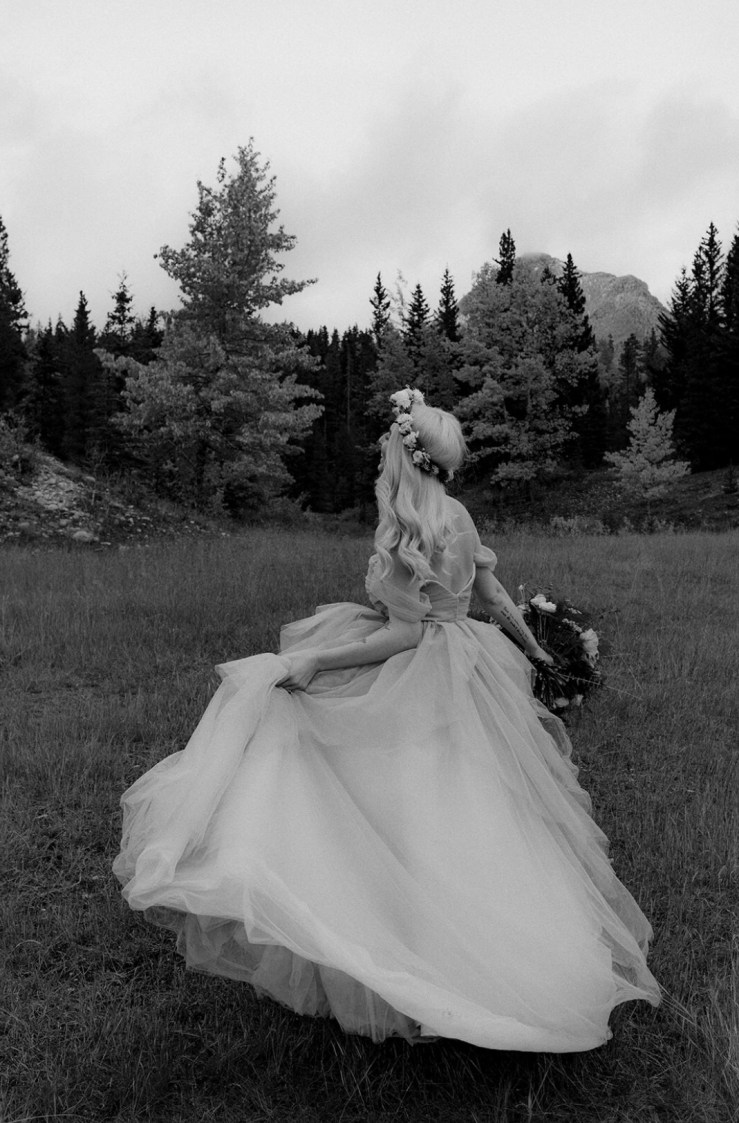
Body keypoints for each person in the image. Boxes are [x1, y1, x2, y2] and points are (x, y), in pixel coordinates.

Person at [114, 387, 660, 1051]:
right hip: (470, 659)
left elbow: (403, 634)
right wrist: (532, 648)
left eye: (383, 452)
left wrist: (317, 660)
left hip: (421, 665)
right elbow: (490, 592)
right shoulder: (457, 514)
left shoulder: (406, 531)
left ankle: (397, 932)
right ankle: (482, 928)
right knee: (467, 792)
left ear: (400, 459)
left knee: (358, 765)